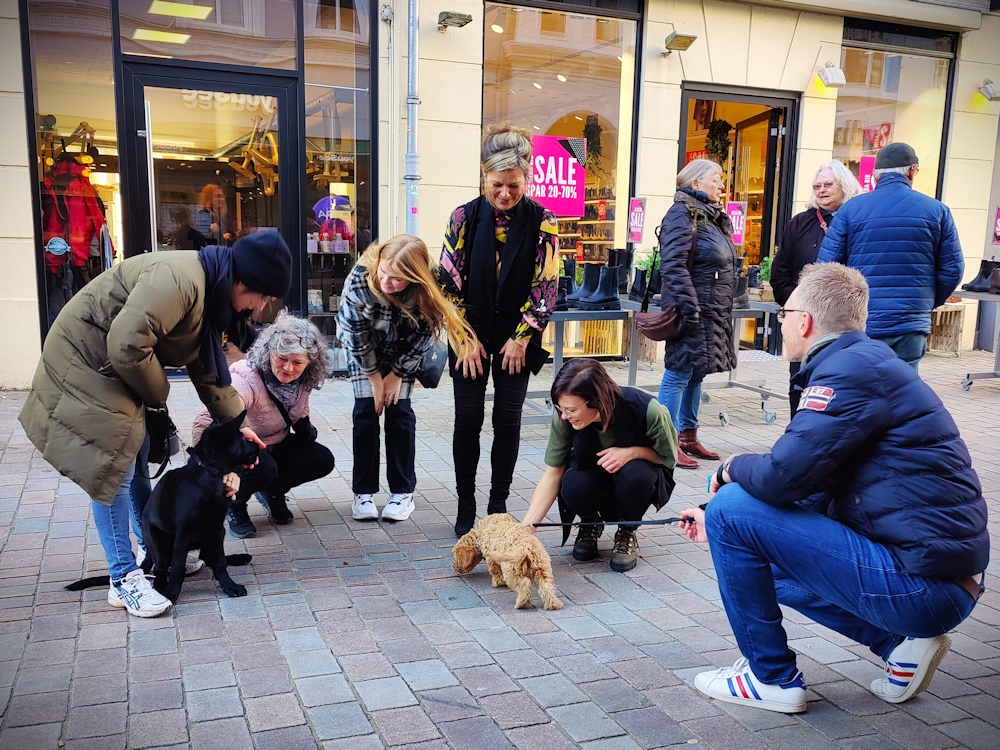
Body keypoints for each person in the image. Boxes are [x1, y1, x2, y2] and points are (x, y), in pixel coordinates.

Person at [678, 263, 987, 714]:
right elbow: (810, 486)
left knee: (731, 505)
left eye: (784, 313)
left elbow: (780, 478)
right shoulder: (864, 364)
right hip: (940, 581)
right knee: (741, 535)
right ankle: (899, 646)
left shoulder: (847, 374)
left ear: (803, 321)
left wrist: (727, 469)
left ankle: (771, 678)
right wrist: (724, 523)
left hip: (927, 588)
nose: (780, 322)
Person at [19, 234, 291, 617]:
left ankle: (155, 549)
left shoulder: (209, 292)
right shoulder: (179, 280)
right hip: (88, 362)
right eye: (262, 298)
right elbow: (129, 345)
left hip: (116, 364)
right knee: (112, 468)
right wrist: (158, 397)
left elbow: (207, 370)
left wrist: (235, 423)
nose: (259, 308)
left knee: (139, 453)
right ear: (245, 282)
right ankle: (123, 578)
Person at [439, 122, 559, 537]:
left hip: (516, 338)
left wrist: (522, 337)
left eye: (513, 184)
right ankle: (465, 502)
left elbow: (547, 288)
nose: (505, 194)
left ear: (527, 177)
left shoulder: (544, 221)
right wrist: (464, 339)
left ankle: (498, 502)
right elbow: (447, 286)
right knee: (467, 419)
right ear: (483, 176)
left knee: (508, 421)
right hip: (468, 336)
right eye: (497, 184)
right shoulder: (463, 218)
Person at [338, 235, 478, 523]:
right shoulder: (360, 278)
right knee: (366, 411)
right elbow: (355, 336)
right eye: (384, 272)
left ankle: (402, 492)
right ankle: (362, 492)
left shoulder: (429, 286)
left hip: (403, 352)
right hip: (365, 350)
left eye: (397, 279)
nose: (387, 282)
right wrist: (376, 380)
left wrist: (398, 375)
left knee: (399, 413)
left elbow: (426, 335)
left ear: (414, 277)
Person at [817, 142, 963, 373]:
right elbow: (952, 270)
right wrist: (924, 302)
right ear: (912, 171)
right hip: (909, 323)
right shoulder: (937, 211)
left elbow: (826, 269)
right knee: (903, 392)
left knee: (860, 389)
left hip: (861, 322)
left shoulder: (850, 210)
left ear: (876, 176)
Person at [522, 359, 677, 572]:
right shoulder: (564, 418)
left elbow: (667, 458)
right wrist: (524, 532)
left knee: (636, 474)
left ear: (596, 399)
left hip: (635, 477)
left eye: (571, 410)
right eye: (560, 408)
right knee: (572, 482)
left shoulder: (649, 410)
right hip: (593, 476)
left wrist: (632, 453)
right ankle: (589, 524)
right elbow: (552, 474)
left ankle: (627, 530)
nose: (564, 416)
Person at [191, 311, 335, 538]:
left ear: (309, 363)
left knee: (321, 459)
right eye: (281, 358)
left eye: (297, 362)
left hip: (273, 444)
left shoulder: (303, 381)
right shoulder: (246, 380)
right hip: (240, 453)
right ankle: (233, 503)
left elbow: (297, 410)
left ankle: (273, 491)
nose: (288, 368)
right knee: (264, 467)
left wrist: (305, 426)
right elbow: (204, 421)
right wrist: (214, 469)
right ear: (269, 353)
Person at [655, 158, 737, 471]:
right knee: (677, 373)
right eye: (716, 178)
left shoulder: (710, 216)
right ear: (695, 183)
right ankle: (665, 442)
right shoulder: (682, 214)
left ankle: (688, 435)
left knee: (696, 371)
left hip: (711, 311)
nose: (721, 184)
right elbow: (673, 267)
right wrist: (688, 309)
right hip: (692, 311)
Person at [771, 160, 861, 412]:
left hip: (846, 323)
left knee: (840, 388)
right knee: (800, 386)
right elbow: (780, 274)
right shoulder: (800, 223)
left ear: (845, 185)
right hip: (805, 322)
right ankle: (797, 440)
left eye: (828, 184)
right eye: (817, 186)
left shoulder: (857, 219)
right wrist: (800, 307)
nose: (821, 190)